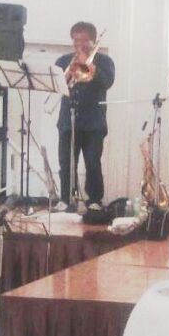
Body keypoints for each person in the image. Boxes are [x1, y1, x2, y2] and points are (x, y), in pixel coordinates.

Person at [55, 21, 116, 209]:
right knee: (66, 164)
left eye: (84, 40)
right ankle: (66, 200)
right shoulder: (63, 61)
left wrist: (90, 66)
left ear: (93, 41)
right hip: (68, 121)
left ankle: (95, 201)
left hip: (94, 123)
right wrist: (69, 72)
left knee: (92, 163)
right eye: (76, 40)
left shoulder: (105, 61)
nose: (79, 44)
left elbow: (107, 82)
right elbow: (57, 86)